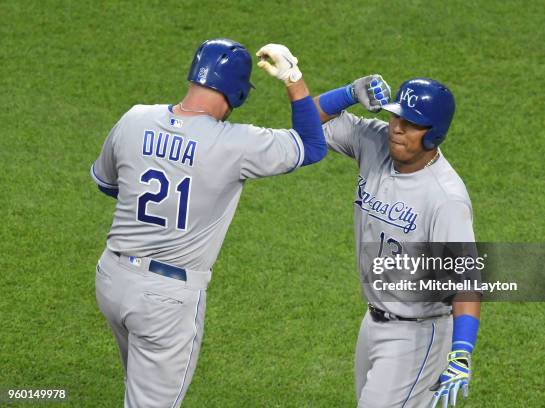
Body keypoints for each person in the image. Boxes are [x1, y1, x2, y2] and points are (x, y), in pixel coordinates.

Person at [90, 39, 326, 407]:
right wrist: (293, 78)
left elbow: (107, 184)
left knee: (139, 385)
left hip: (112, 280)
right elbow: (312, 146)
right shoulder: (237, 143)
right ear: (237, 93)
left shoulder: (134, 118)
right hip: (164, 300)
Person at [314, 76, 481, 407]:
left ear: (433, 134)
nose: (396, 128)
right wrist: (348, 93)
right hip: (373, 321)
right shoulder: (375, 143)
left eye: (410, 123)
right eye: (395, 116)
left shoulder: (445, 199)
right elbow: (308, 119)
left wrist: (461, 352)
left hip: (417, 334)